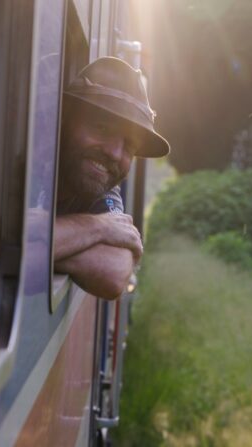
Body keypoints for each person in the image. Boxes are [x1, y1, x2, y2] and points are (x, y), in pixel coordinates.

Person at [53, 57, 170, 300]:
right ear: (64, 118)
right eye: (102, 128)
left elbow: (114, 272)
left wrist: (37, 246)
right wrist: (98, 227)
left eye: (129, 146)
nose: (114, 154)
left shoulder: (102, 186)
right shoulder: (23, 162)